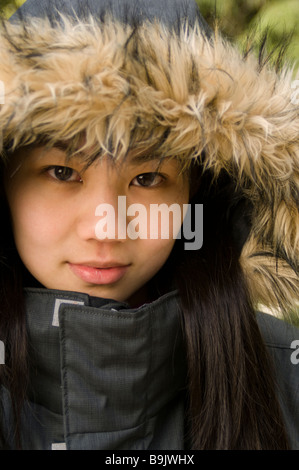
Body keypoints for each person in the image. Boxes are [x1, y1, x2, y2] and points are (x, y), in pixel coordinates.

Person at [0, 0, 298, 450]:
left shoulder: (283, 373)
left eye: (148, 178)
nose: (107, 228)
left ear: (198, 193)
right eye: (62, 172)